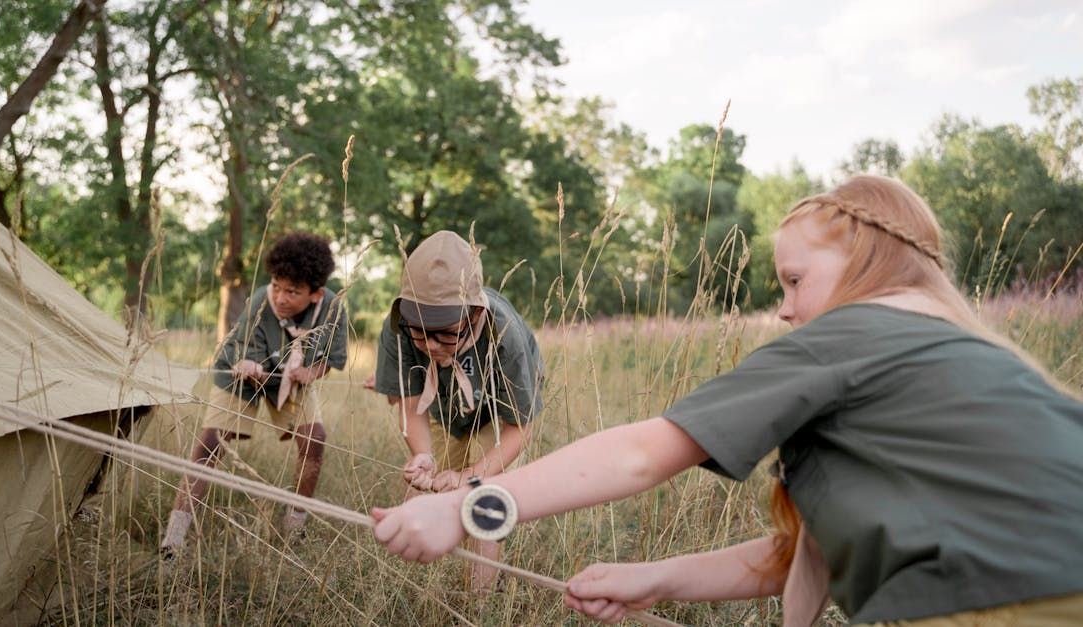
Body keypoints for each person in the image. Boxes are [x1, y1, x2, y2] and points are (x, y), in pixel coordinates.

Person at [370, 176, 1083, 625]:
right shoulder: (962, 361)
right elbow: (796, 555)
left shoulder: (853, 333)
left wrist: (466, 506)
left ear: (867, 261)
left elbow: (644, 452)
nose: (784, 309)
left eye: (794, 280)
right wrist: (655, 577)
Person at [372, 229, 545, 593]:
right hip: (442, 409)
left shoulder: (505, 334)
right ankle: (420, 591)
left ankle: (479, 599)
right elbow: (408, 402)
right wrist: (422, 454)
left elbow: (520, 427)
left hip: (498, 418)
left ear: (475, 314)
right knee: (431, 485)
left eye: (445, 334)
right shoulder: (397, 329)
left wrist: (473, 474)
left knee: (479, 494)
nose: (431, 345)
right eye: (419, 333)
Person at [161, 232, 347, 555]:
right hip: (243, 375)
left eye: (293, 291)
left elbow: (331, 359)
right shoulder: (262, 299)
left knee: (315, 438)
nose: (281, 297)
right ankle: (175, 535)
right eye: (276, 285)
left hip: (292, 380)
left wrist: (311, 372)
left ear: (316, 294)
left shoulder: (332, 309)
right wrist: (246, 364)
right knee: (210, 442)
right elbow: (242, 345)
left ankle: (294, 531)